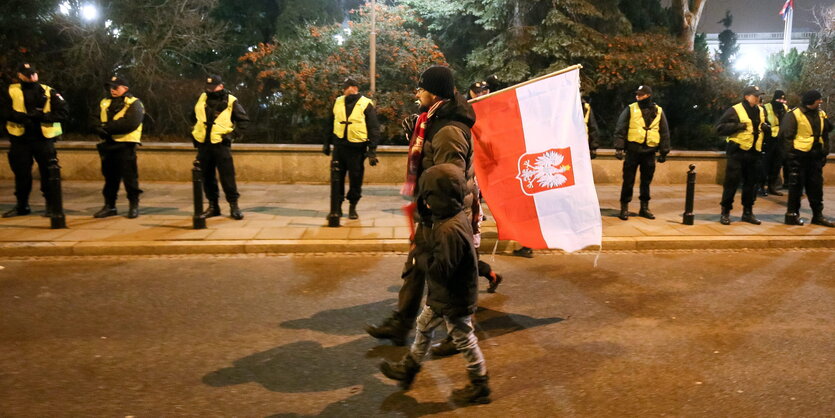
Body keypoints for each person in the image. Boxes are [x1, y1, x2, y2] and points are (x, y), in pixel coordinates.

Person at [366, 65, 476, 346]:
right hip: (430, 209)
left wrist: (433, 212)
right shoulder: (433, 120)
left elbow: (450, 178)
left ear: (434, 92)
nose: (417, 93)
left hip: (444, 212)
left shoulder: (449, 130)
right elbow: (428, 158)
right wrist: (415, 130)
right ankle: (401, 323)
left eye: (421, 88)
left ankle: (459, 335)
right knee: (415, 265)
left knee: (445, 276)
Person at [379, 164, 490, 405]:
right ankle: (409, 368)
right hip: (448, 295)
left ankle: (480, 384)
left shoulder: (449, 230)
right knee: (424, 325)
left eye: (428, 196)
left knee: (464, 340)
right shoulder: (451, 216)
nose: (425, 202)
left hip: (453, 298)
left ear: (439, 197)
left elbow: (441, 270)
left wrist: (421, 256)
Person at [1, 63, 69, 218]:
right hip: (20, 139)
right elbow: (3, 110)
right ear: (19, 75)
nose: (31, 76)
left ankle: (51, 206)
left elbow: (63, 112)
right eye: (27, 74)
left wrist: (43, 117)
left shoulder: (48, 91)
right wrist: (17, 117)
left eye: (33, 73)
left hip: (43, 139)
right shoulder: (11, 91)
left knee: (48, 173)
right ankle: (22, 206)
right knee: (21, 175)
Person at [191, 75, 248, 220]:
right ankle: (213, 206)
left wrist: (231, 136)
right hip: (204, 145)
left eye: (213, 86)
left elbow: (243, 121)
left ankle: (233, 206)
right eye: (208, 86)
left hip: (221, 145)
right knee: (207, 177)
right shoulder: (202, 99)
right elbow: (193, 117)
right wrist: (194, 132)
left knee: (227, 177)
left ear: (221, 86)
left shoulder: (230, 100)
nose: (210, 89)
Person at [323, 77, 380, 219]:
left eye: (352, 86)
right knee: (337, 177)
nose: (349, 89)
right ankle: (337, 207)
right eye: (346, 87)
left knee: (355, 178)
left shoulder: (366, 104)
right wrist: (326, 143)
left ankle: (353, 206)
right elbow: (330, 123)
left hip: (357, 148)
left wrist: (372, 150)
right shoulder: (338, 102)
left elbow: (374, 128)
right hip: (339, 147)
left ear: (356, 88)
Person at [613, 85, 671, 221]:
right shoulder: (631, 108)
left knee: (646, 182)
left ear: (648, 95)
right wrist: (619, 148)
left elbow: (664, 132)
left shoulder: (658, 111)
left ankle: (644, 207)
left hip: (649, 151)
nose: (638, 97)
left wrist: (664, 151)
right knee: (628, 180)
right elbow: (620, 128)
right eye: (637, 94)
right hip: (633, 150)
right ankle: (624, 207)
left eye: (641, 95)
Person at [715, 86, 769, 225]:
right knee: (731, 183)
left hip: (754, 152)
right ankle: (725, 212)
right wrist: (739, 126)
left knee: (751, 184)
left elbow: (764, 126)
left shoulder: (762, 110)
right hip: (737, 152)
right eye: (755, 95)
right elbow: (720, 128)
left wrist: (766, 128)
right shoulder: (735, 109)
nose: (758, 98)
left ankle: (748, 212)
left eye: (759, 95)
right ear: (746, 96)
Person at [92, 76, 145, 218]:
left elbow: (130, 123)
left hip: (125, 145)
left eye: (115, 87)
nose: (112, 90)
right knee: (110, 178)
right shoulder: (104, 102)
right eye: (110, 87)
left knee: (130, 178)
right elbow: (95, 118)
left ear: (125, 88)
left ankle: (133, 206)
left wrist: (106, 129)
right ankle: (110, 206)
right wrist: (98, 128)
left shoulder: (134, 103)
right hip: (108, 144)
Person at [781, 90, 834, 227]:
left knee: (816, 188)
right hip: (799, 157)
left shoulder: (821, 114)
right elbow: (786, 137)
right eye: (818, 99)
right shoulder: (794, 114)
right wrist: (791, 157)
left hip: (815, 157)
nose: (821, 101)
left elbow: (826, 133)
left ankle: (818, 216)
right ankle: (792, 215)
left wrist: (824, 152)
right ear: (811, 100)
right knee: (796, 188)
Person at [760, 90, 788, 197]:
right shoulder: (766, 107)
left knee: (777, 165)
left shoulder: (785, 108)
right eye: (778, 99)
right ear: (774, 98)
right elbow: (761, 121)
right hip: (768, 140)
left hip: (780, 140)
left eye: (782, 99)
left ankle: (772, 187)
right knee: (765, 165)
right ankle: (761, 186)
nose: (781, 101)